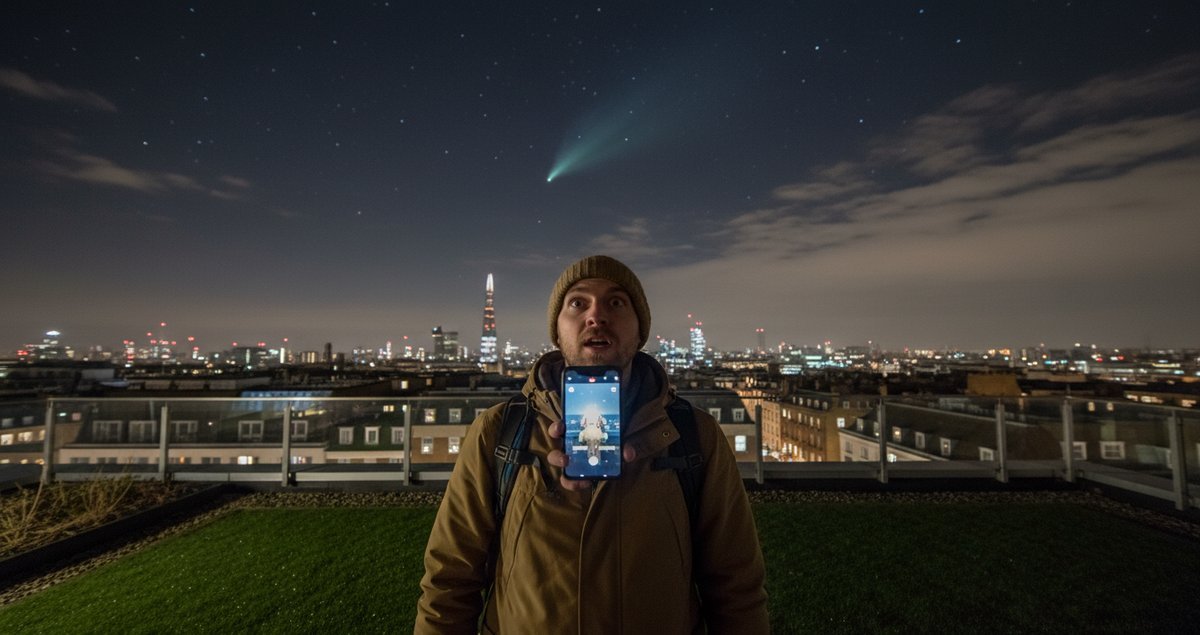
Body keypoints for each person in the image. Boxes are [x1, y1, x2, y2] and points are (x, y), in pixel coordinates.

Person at [415, 255, 768, 634]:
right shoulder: (498, 432)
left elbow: (736, 587)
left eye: (616, 303)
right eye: (578, 303)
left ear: (639, 330)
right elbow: (449, 579)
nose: (596, 316)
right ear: (558, 330)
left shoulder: (695, 436)